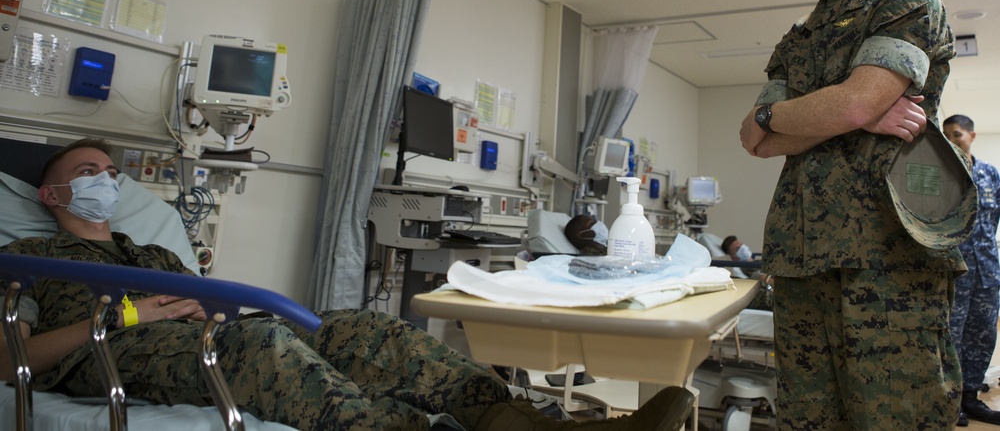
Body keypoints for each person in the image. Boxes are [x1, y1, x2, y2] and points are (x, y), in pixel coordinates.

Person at [0, 138, 694, 431]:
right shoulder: (26, 256)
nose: (106, 181)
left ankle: (520, 419)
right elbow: (12, 360)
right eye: (90, 170)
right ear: (52, 188)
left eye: (111, 172)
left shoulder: (148, 245)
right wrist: (128, 314)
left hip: (202, 331)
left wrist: (195, 301)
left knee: (365, 328)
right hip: (118, 351)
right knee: (268, 343)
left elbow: (220, 300)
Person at [738, 0, 968, 429]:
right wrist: (834, 113)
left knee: (897, 417)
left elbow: (855, 104)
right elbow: (754, 138)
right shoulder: (797, 40)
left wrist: (841, 109)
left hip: (887, 261)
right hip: (801, 260)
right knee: (809, 419)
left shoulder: (904, 0)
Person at [943, 114, 1000, 426]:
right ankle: (951, 404)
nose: (952, 142)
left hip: (988, 274)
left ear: (972, 136)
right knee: (952, 338)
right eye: (946, 136)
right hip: (955, 273)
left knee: (983, 336)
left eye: (957, 135)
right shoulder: (940, 176)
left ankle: (972, 400)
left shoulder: (991, 174)